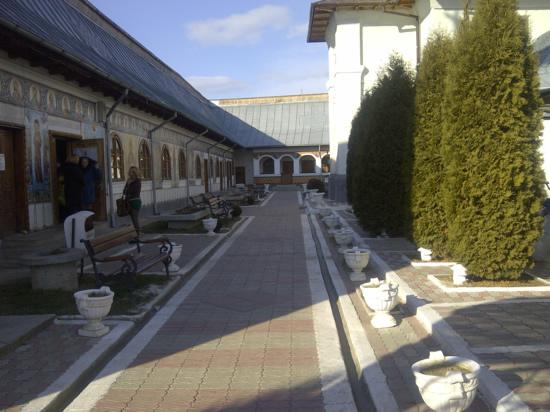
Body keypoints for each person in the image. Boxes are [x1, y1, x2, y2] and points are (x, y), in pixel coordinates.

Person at [123, 166, 142, 233]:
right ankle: (136, 233)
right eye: (130, 172)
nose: (130, 173)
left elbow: (135, 192)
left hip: (135, 202)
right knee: (133, 218)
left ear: (135, 173)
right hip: (128, 202)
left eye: (132, 172)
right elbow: (124, 191)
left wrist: (128, 189)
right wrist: (127, 186)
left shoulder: (137, 182)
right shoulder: (128, 181)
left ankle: (138, 233)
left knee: (135, 218)